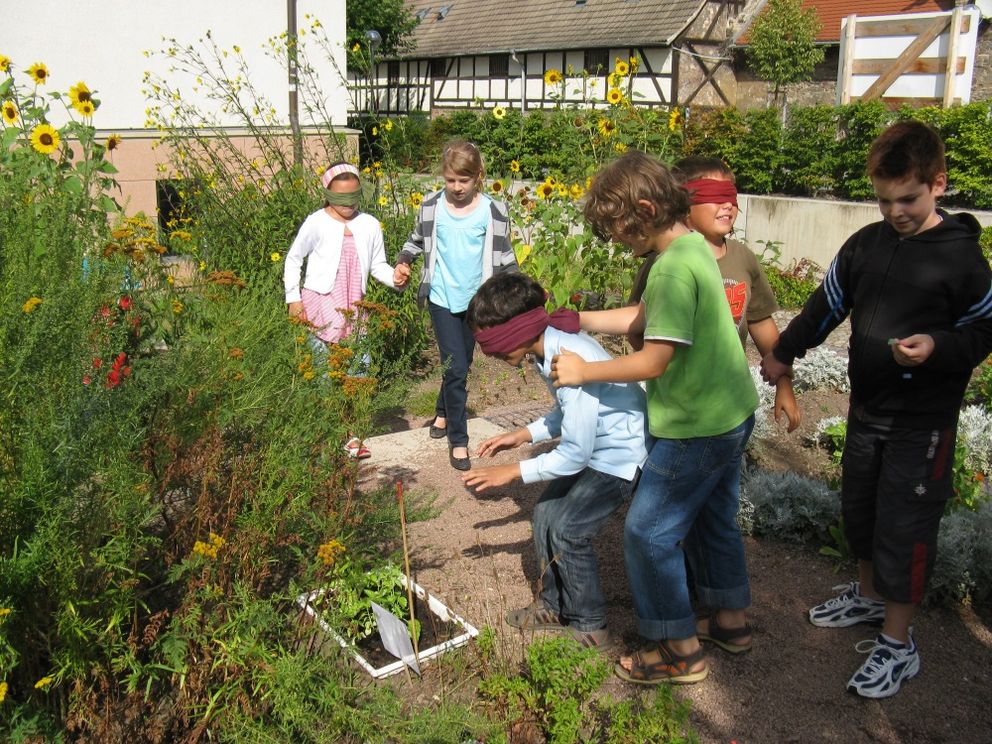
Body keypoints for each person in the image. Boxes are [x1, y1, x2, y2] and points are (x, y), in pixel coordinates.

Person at [760, 120, 992, 699]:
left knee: (905, 528)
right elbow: (826, 304)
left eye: (908, 199)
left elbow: (985, 329)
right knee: (860, 510)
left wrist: (939, 347)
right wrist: (784, 352)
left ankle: (898, 643)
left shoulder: (962, 259)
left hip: (923, 425)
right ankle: (867, 598)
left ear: (938, 184)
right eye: (885, 200)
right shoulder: (866, 243)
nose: (896, 212)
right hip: (869, 412)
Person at [552, 150, 759, 685]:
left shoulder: (667, 268)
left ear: (643, 209)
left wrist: (582, 372)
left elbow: (653, 358)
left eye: (620, 231)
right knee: (714, 518)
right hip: (732, 414)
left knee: (648, 531)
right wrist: (581, 320)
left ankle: (679, 650)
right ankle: (729, 621)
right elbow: (649, 317)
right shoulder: (693, 249)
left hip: (696, 427)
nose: (620, 243)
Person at [462, 272, 648, 650]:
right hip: (599, 448)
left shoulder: (569, 358)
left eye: (492, 342)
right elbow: (569, 414)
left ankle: (590, 623)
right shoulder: (549, 351)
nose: (489, 352)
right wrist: (522, 434)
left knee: (567, 529)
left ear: (517, 332)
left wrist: (513, 472)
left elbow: (576, 452)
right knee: (546, 513)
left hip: (620, 457)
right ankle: (553, 604)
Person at [627, 157, 800, 432]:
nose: (728, 204)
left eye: (731, 195)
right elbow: (637, 325)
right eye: (714, 195)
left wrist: (784, 383)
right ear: (682, 206)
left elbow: (759, 321)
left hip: (727, 402)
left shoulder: (743, 258)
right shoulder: (664, 262)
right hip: (684, 410)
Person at [394, 140, 518, 471]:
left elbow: (504, 255)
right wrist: (404, 260)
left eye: (464, 181)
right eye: (450, 180)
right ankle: (459, 440)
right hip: (442, 298)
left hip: (477, 303)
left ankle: (442, 412)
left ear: (478, 176)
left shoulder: (493, 211)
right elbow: (415, 240)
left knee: (460, 364)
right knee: (456, 369)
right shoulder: (431, 207)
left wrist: (518, 290)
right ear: (443, 177)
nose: (457, 188)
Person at [284, 161, 407, 459]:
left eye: (354, 197)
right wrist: (293, 299)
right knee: (325, 376)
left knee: (358, 371)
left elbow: (377, 263)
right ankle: (326, 436)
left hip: (355, 308)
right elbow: (293, 259)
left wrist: (395, 277)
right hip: (320, 305)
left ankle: (351, 435)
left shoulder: (369, 225)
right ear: (327, 194)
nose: (348, 205)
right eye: (340, 199)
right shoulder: (316, 222)